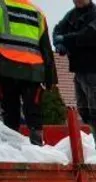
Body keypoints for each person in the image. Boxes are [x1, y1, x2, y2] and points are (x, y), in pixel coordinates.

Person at [52, 0, 96, 149]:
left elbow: (91, 36)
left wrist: (66, 40)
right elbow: (58, 29)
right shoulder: (71, 15)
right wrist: (58, 42)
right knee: (85, 112)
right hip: (80, 72)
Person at [0, 0, 58, 146]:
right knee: (33, 110)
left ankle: (11, 147)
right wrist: (51, 78)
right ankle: (37, 145)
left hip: (7, 67)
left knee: (10, 110)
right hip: (34, 71)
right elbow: (45, 46)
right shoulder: (37, 12)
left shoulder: (2, 6)